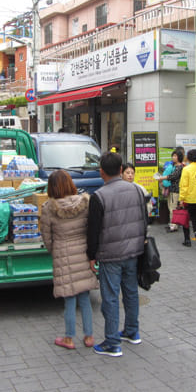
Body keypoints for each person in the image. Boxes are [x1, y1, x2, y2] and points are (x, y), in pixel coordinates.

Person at [87, 152, 146, 357]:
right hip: (133, 251)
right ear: (121, 170)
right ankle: (132, 331)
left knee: (110, 297)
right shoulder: (137, 191)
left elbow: (92, 230)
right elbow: (144, 220)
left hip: (110, 255)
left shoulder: (99, 196)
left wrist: (91, 255)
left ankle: (112, 342)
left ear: (101, 172)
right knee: (131, 292)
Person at [40, 170, 98, 350]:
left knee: (69, 298)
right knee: (85, 297)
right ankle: (89, 336)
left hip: (63, 253)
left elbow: (46, 236)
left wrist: (54, 250)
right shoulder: (85, 202)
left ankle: (69, 338)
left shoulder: (49, 207)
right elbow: (91, 228)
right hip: (83, 252)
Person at [178, 149, 196, 247]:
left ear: (188, 157)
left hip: (189, 197)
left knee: (186, 218)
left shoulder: (186, 169)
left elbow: (184, 185)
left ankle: (187, 239)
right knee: (194, 216)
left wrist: (181, 198)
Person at [159, 149, 185, 232]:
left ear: (179, 157)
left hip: (176, 190)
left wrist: (162, 178)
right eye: (173, 156)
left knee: (173, 208)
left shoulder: (180, 167)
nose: (173, 157)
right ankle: (172, 224)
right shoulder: (174, 166)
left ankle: (174, 225)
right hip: (171, 189)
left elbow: (173, 176)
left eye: (175, 156)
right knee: (170, 206)